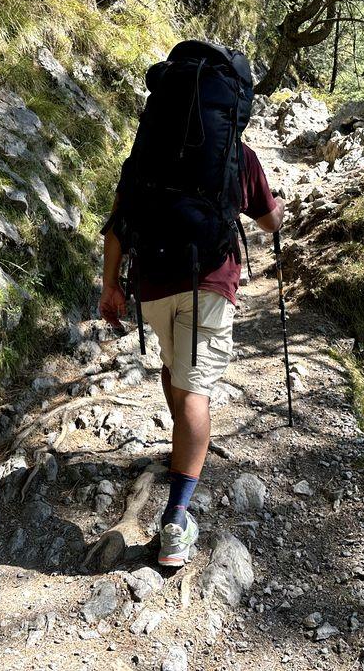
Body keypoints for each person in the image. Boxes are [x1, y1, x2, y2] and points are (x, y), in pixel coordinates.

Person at [99, 142, 285, 566]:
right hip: (209, 282)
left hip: (155, 285)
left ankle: (182, 448)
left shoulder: (148, 152)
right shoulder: (237, 154)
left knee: (175, 368)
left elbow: (117, 226)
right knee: (195, 392)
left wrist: (110, 285)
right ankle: (176, 520)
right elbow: (269, 222)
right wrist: (276, 212)